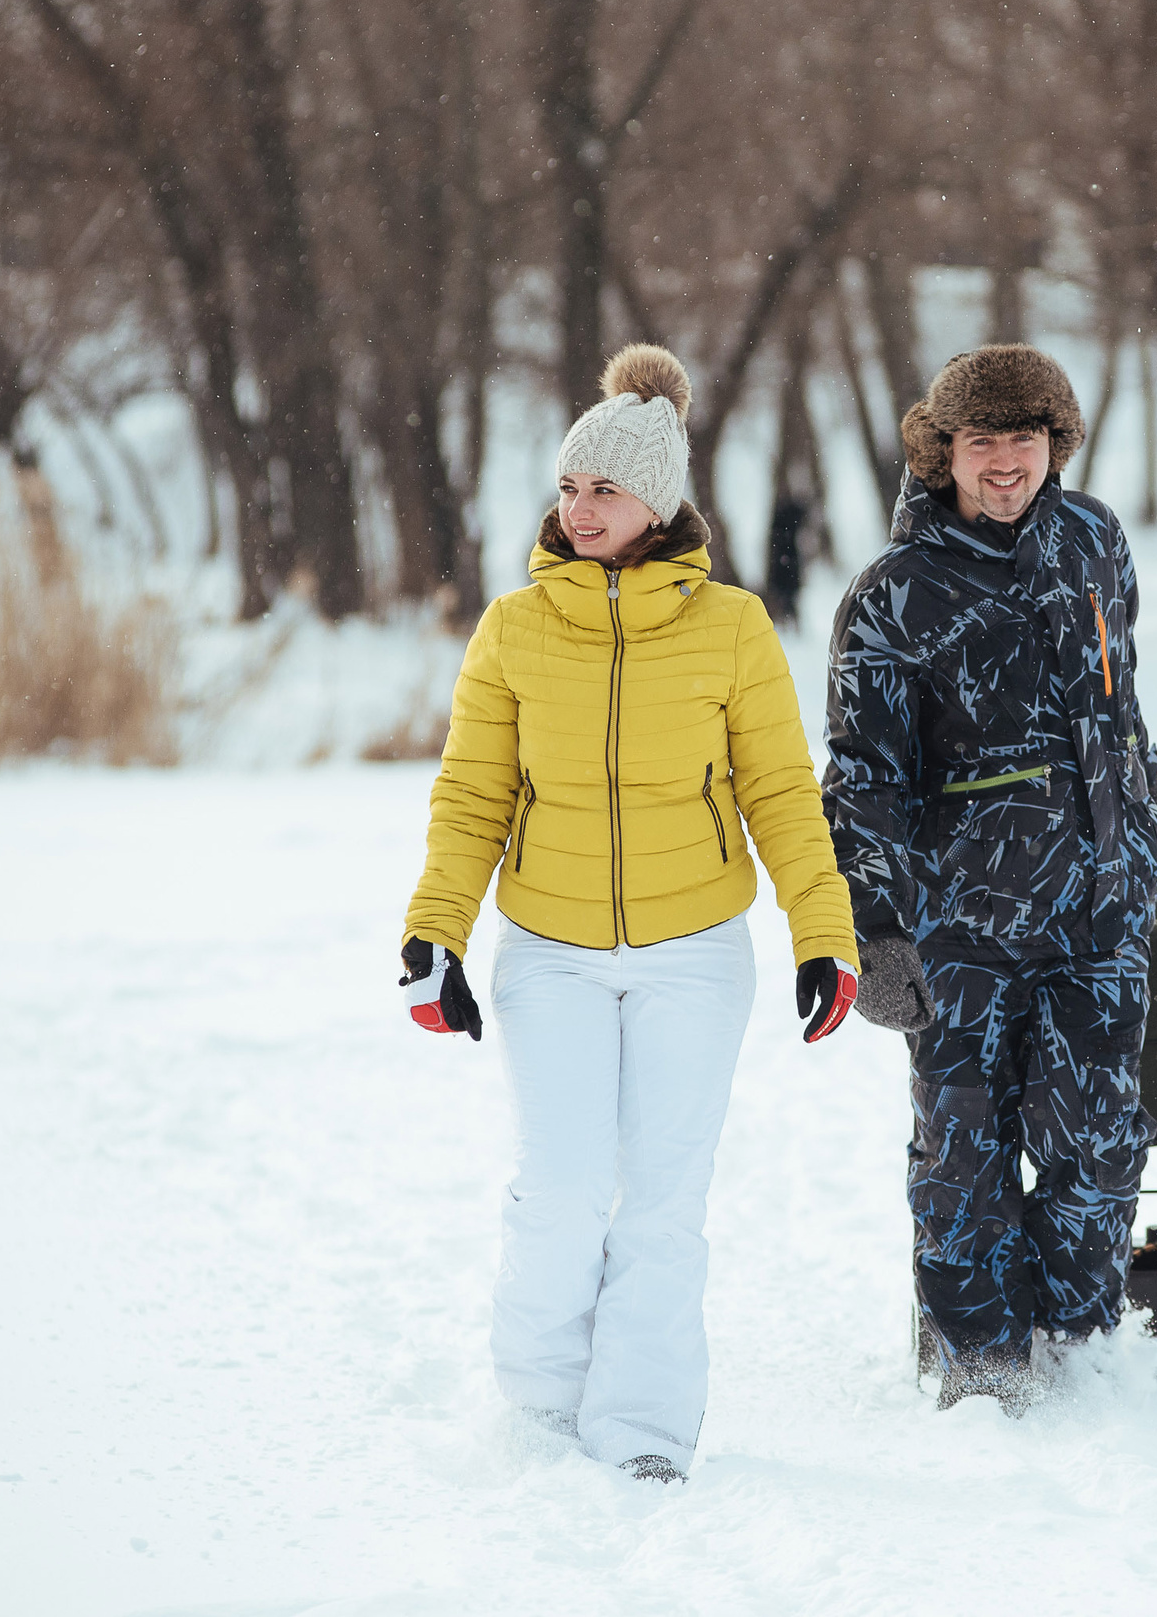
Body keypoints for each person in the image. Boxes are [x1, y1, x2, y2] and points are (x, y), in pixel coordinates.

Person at [399, 344, 861, 1485]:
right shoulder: (513, 627)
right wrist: (434, 932)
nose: (579, 507)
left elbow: (781, 795)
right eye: (568, 486)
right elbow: (471, 795)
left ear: (656, 500)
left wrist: (822, 931)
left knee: (662, 1200)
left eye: (603, 488)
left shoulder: (733, 627)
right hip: (547, 952)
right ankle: (542, 1404)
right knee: (558, 1186)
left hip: (694, 955)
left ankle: (646, 1424)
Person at [821, 344, 1157, 1411]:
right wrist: (877, 929)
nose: (1005, 462)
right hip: (960, 926)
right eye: (982, 441)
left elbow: (1120, 708)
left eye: (1025, 438)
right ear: (944, 452)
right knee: (963, 1152)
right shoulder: (893, 597)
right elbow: (863, 779)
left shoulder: (1094, 539)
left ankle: (1074, 1343)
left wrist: (1140, 843)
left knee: (1101, 1137)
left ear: (1054, 444)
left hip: (1100, 909)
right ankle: (978, 1363)